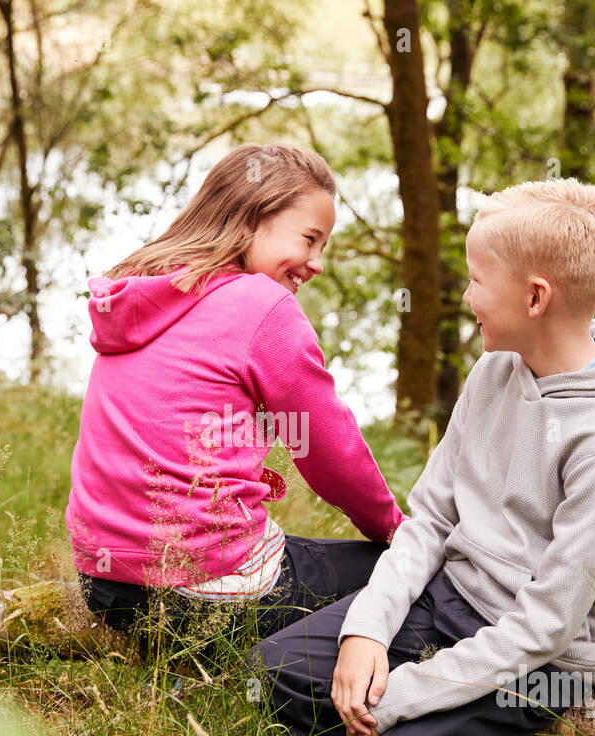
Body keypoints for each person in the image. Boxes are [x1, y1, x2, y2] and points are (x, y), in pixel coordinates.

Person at [250, 177, 595, 736]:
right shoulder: (495, 369)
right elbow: (428, 519)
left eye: (478, 280)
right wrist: (367, 630)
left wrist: (402, 695)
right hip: (452, 602)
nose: (466, 296)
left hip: (538, 662)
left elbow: (545, 626)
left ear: (535, 297)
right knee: (277, 673)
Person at [66, 143, 407, 650]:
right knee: (402, 573)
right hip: (202, 593)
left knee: (318, 554)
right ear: (253, 217)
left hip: (105, 583)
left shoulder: (144, 291)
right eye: (309, 239)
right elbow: (328, 449)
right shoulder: (260, 305)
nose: (315, 263)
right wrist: (396, 532)